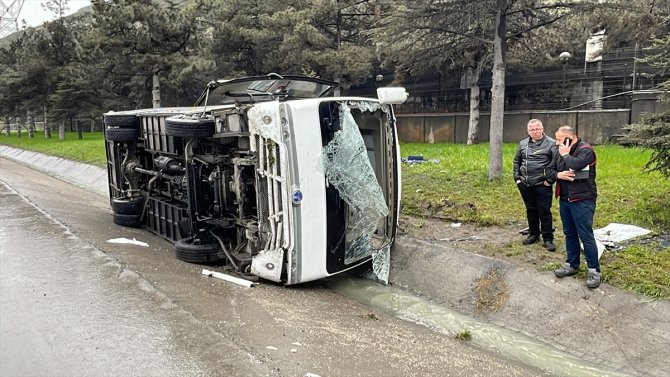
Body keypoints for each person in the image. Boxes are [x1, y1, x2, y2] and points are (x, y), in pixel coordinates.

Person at [549, 125, 601, 289]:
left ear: (569, 138)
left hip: (582, 199)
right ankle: (572, 264)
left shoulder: (586, 150)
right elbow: (549, 170)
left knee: (585, 235)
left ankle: (594, 270)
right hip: (565, 199)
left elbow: (577, 165)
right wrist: (559, 174)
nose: (556, 143)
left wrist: (565, 155)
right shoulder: (559, 150)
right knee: (569, 233)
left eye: (559, 139)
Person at [513, 119, 556, 251]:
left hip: (543, 184)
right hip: (525, 183)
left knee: (544, 211)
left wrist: (549, 180)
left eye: (537, 129)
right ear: (528, 131)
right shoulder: (523, 144)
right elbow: (517, 161)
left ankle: (548, 239)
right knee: (531, 210)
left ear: (542, 129)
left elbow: (555, 164)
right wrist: (517, 179)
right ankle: (533, 234)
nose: (535, 131)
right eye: (532, 129)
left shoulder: (551, 144)